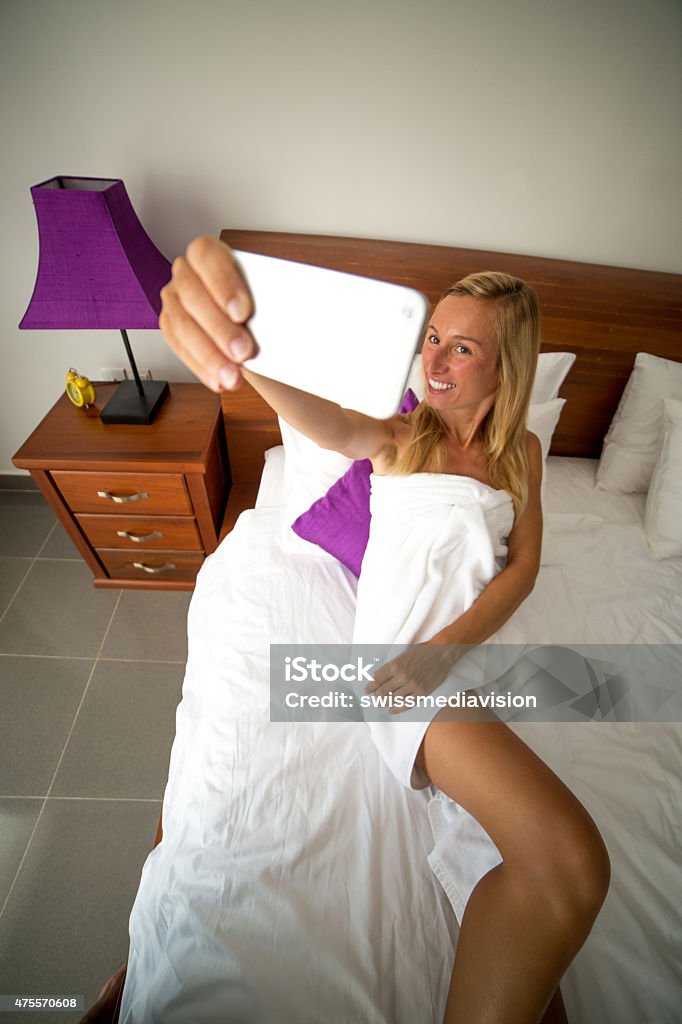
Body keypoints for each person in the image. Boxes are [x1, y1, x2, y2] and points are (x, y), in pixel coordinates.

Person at [158, 236, 610, 1024]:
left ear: (507, 370)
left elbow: (523, 571)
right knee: (571, 864)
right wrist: (239, 356)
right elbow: (327, 421)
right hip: (408, 681)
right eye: (432, 337)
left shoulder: (524, 455)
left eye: (462, 347)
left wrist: (452, 652)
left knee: (541, 980)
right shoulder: (406, 439)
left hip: (461, 668)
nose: (434, 360)